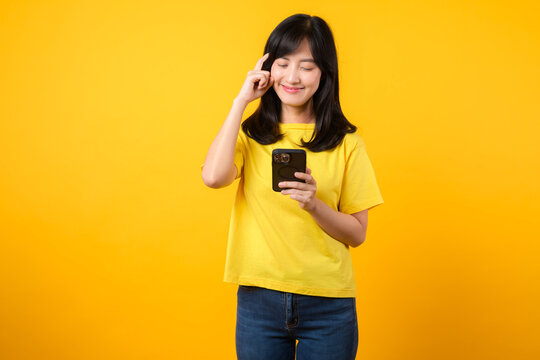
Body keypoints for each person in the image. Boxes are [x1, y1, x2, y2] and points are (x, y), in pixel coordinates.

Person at [201, 13, 384, 360]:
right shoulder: (249, 136)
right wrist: (240, 101)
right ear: (268, 69)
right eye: (283, 64)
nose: (293, 77)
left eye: (307, 66)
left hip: (329, 304)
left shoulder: (347, 144)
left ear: (324, 73)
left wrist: (315, 205)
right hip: (259, 300)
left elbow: (357, 234)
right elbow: (213, 177)